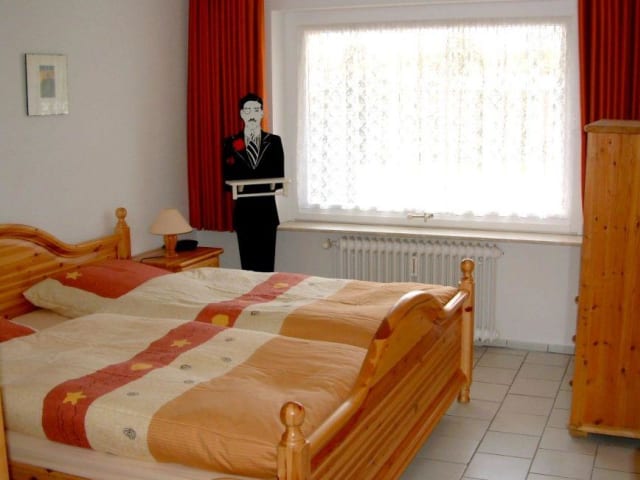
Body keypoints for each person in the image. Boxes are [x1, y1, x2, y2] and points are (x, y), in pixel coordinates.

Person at [222, 93, 284, 272]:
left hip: (267, 211)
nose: (252, 114)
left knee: (266, 267)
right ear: (241, 114)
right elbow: (227, 178)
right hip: (244, 213)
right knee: (247, 267)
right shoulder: (230, 143)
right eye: (247, 110)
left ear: (262, 113)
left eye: (256, 110)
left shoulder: (274, 142)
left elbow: (279, 176)